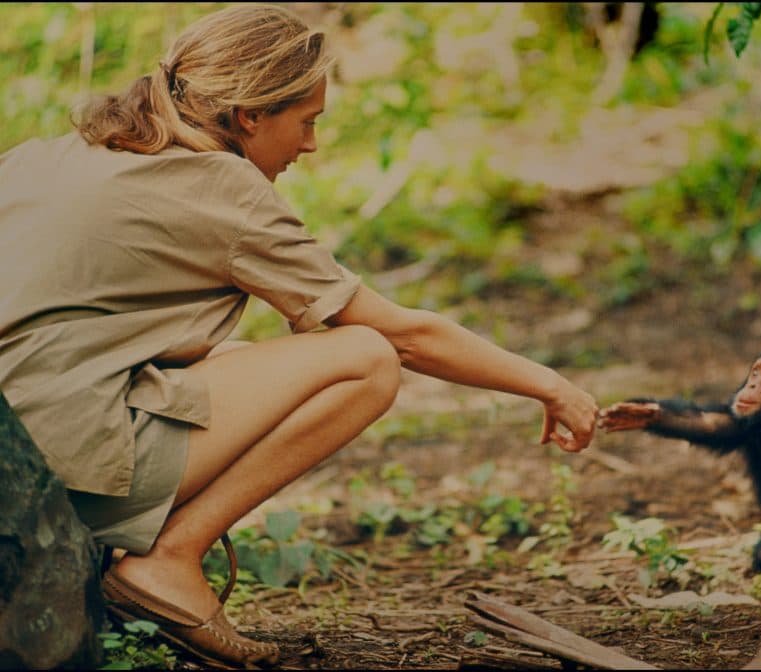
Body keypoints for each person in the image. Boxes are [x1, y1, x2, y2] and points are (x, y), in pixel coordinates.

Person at [0, 4, 597, 667]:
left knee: (234, 358)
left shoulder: (46, 156)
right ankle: (167, 562)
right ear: (252, 114)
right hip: (57, 472)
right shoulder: (221, 185)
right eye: (307, 121)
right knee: (362, 360)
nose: (310, 144)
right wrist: (549, 384)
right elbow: (399, 337)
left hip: (12, 450)